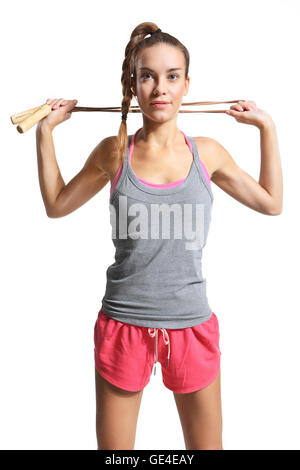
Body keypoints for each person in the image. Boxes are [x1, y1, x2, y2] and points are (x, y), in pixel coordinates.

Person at [36, 22, 283, 451]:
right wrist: (45, 133)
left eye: (172, 76)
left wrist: (267, 129)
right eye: (147, 75)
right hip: (123, 324)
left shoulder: (206, 152)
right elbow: (57, 205)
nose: (160, 88)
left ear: (187, 84)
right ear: (133, 84)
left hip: (191, 323)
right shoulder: (114, 152)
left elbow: (270, 202)